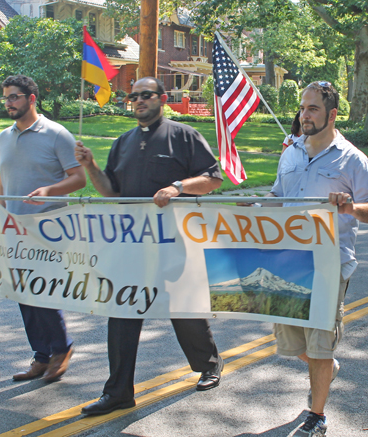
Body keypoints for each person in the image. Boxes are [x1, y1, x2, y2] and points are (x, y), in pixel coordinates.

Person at [75, 77, 225, 416]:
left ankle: (209, 364)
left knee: (183, 309)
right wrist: (91, 167)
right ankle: (118, 392)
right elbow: (110, 191)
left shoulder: (183, 136)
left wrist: (178, 187)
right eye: (134, 96)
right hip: (131, 244)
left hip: (175, 241)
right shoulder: (123, 142)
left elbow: (213, 180)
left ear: (162, 98)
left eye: (146, 95)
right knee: (123, 311)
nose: (139, 100)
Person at [262, 82, 368, 436]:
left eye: (312, 109)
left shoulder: (352, 158)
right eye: (303, 108)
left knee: (318, 344)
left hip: (328, 265)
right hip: (287, 259)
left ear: (331, 115)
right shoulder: (291, 152)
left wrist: (349, 207)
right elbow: (277, 196)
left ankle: (317, 415)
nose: (304, 115)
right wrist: (253, 208)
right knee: (290, 343)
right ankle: (325, 366)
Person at [0, 75, 86, 382]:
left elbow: (79, 179)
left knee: (42, 291)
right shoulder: (3, 136)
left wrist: (49, 191)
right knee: (23, 293)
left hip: (49, 230)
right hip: (15, 229)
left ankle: (62, 349)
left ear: (31, 99)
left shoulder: (56, 134)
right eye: (6, 98)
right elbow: (3, 178)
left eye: (15, 97)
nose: (9, 103)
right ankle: (41, 356)